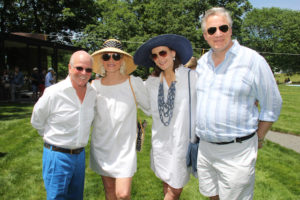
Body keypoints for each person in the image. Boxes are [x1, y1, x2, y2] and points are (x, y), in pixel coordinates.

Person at [195, 7, 282, 200]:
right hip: (206, 148)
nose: (218, 34)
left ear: (231, 30)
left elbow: (272, 103)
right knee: (212, 195)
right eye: (211, 30)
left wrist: (259, 137)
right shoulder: (202, 63)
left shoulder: (252, 60)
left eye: (223, 28)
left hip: (237, 151)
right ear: (205, 35)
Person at [133, 34, 198, 200]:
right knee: (166, 184)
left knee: (175, 189)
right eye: (154, 56)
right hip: (161, 143)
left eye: (162, 53)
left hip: (182, 143)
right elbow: (148, 109)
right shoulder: (153, 83)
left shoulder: (191, 77)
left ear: (173, 53)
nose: (159, 59)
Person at [31, 50, 96, 200]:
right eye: (79, 68)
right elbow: (37, 120)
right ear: (69, 67)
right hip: (57, 155)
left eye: (88, 69)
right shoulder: (54, 92)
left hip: (80, 156)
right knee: (57, 197)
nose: (84, 73)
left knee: (76, 197)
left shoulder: (93, 93)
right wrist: (53, 139)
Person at [90, 39, 149, 200]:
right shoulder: (94, 86)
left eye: (116, 56)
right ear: (101, 60)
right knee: (109, 191)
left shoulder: (133, 83)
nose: (111, 60)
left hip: (125, 148)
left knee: (122, 195)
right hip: (102, 145)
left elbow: (150, 108)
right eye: (106, 56)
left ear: (122, 59)